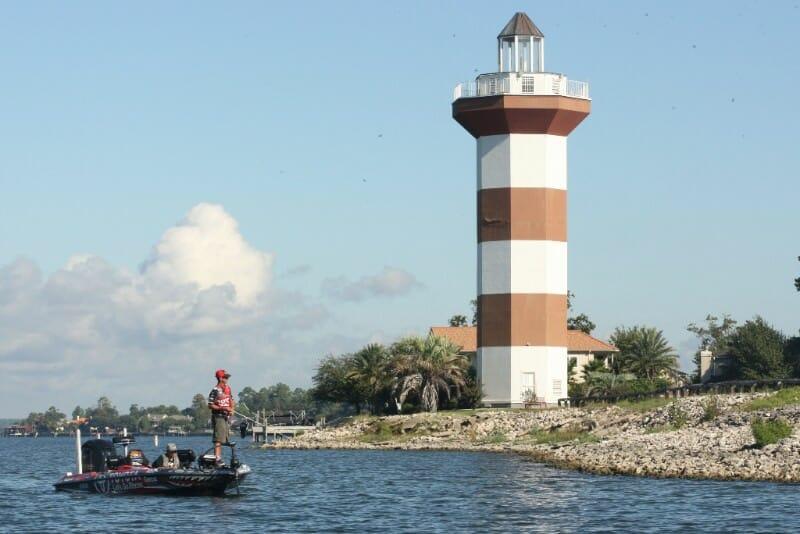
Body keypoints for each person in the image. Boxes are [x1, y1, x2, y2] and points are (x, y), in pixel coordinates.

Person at [208, 368, 235, 463]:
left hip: (226, 418)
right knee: (218, 439)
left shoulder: (228, 388)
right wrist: (223, 408)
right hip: (218, 417)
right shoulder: (215, 390)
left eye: (227, 377)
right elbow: (210, 405)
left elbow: (231, 400)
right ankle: (217, 459)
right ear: (220, 378)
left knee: (225, 439)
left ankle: (220, 458)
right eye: (225, 377)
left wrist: (232, 410)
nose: (227, 379)